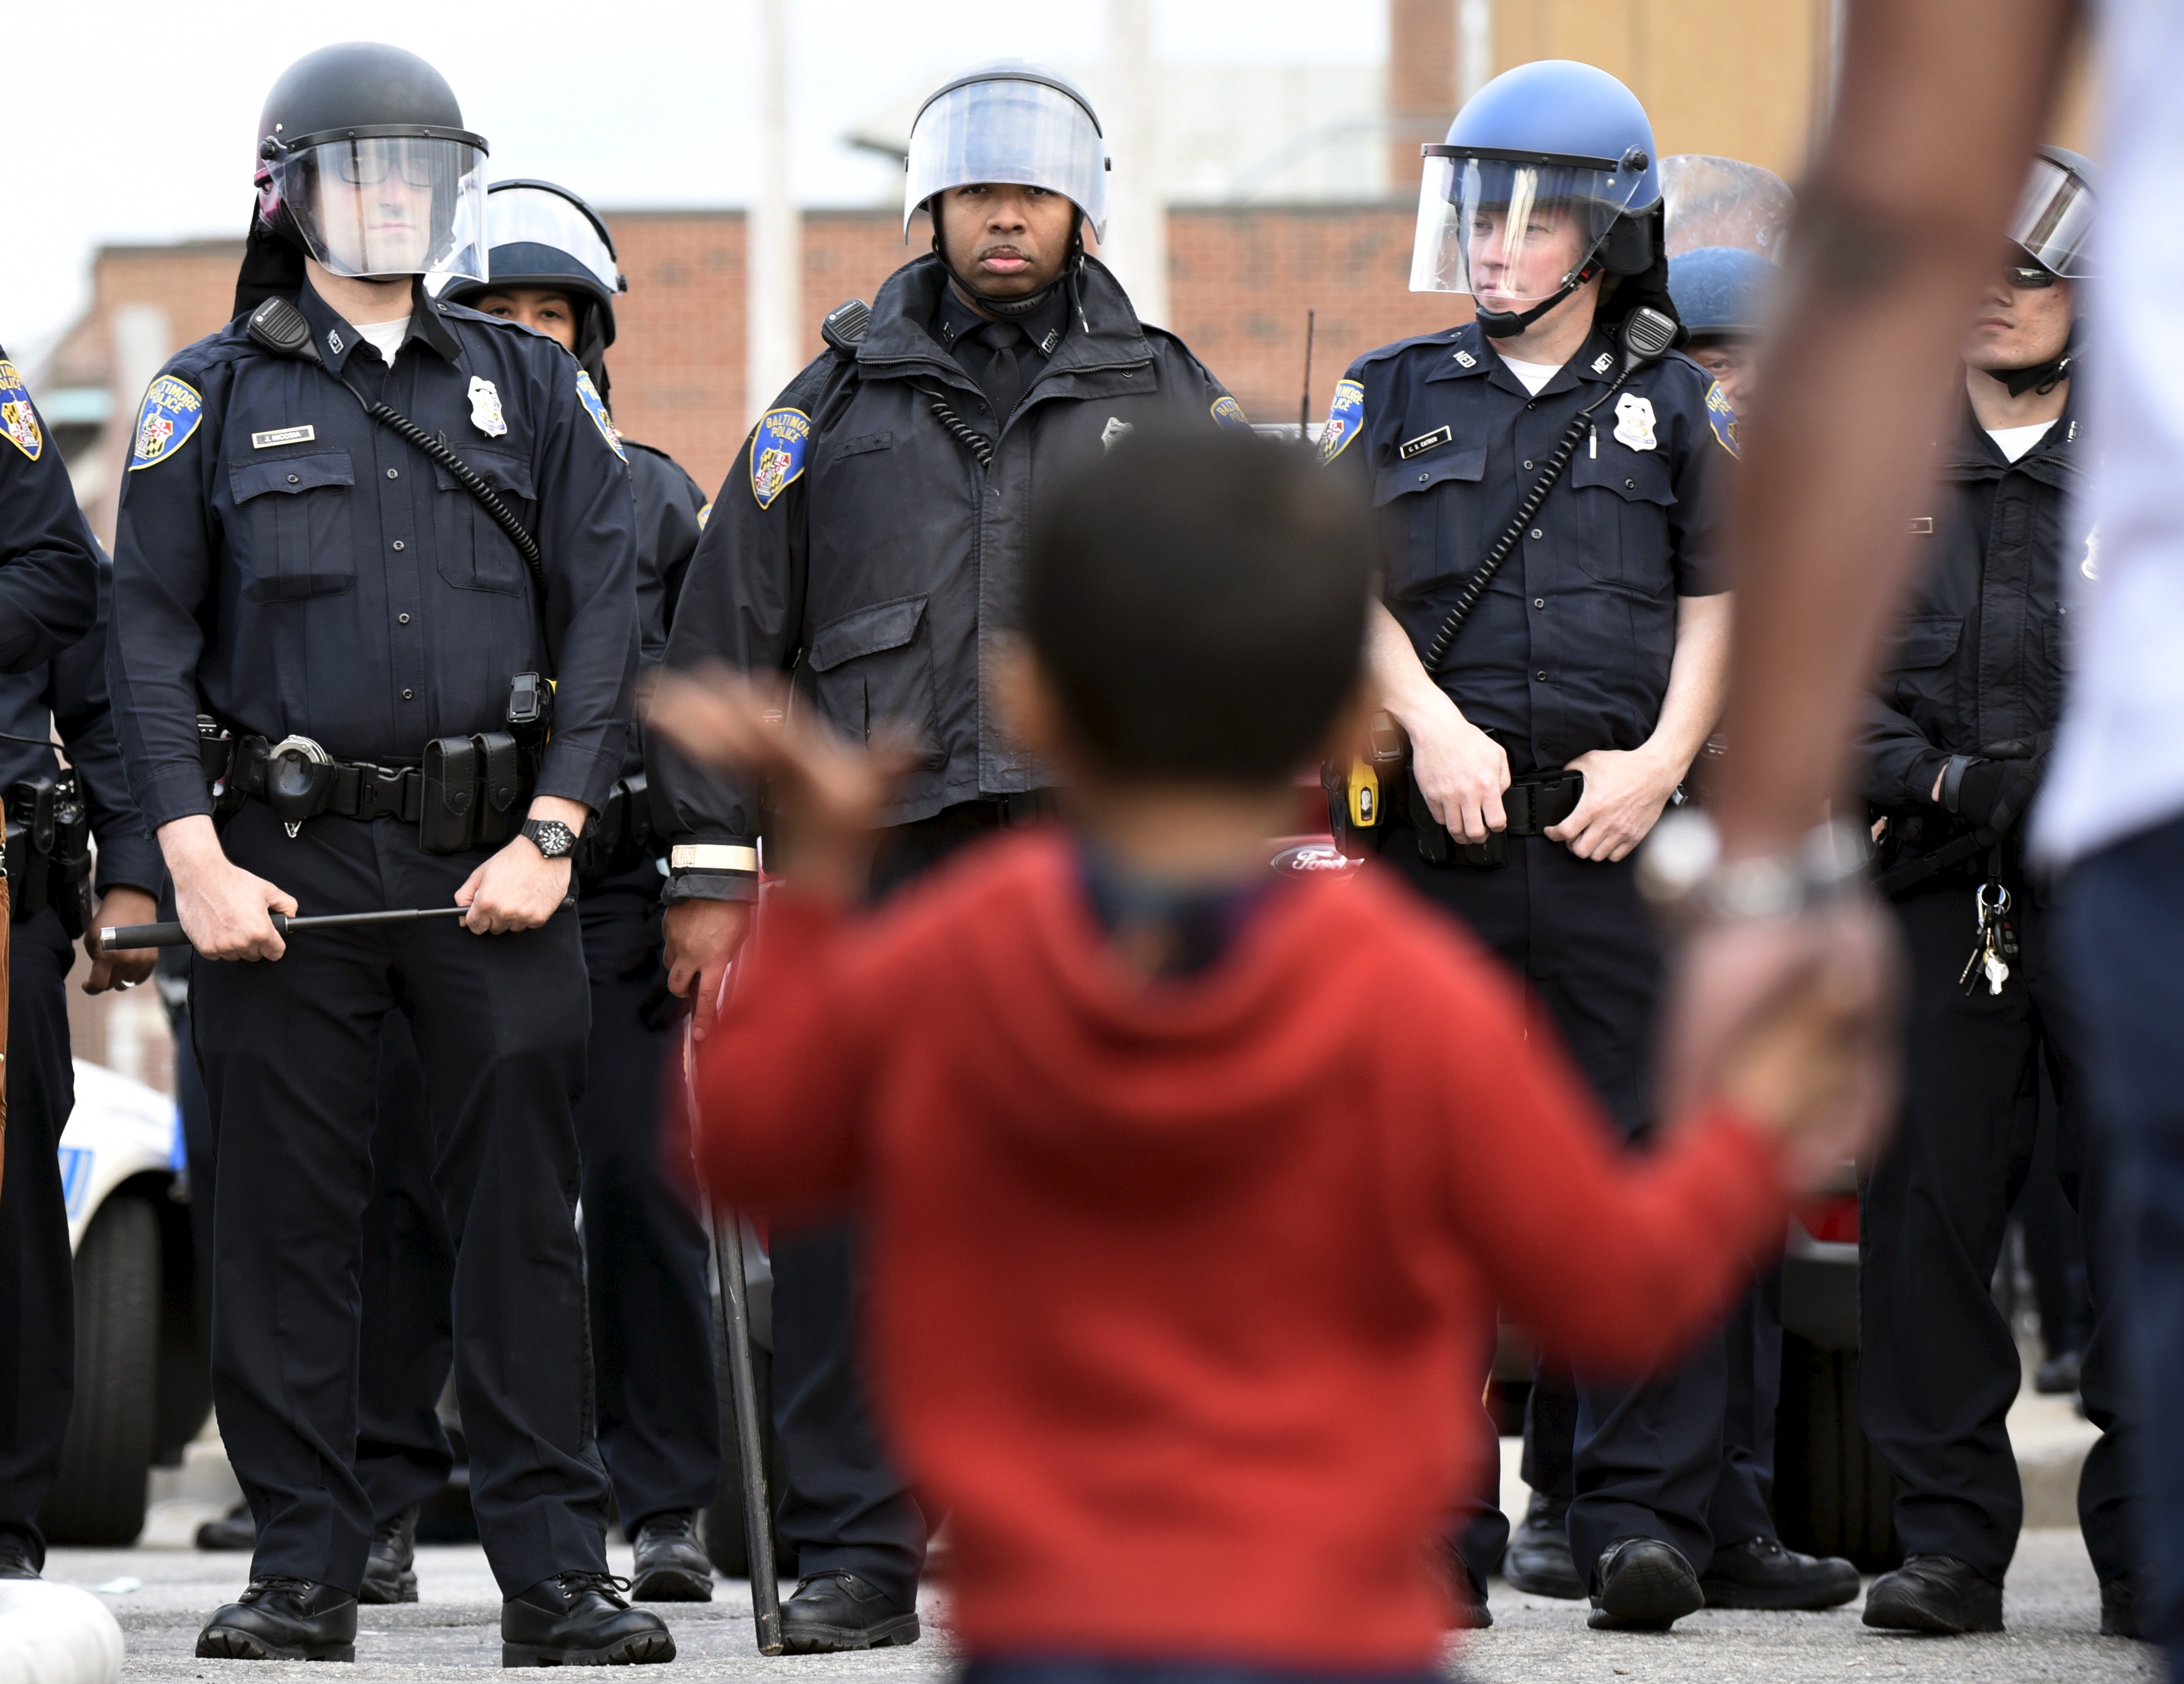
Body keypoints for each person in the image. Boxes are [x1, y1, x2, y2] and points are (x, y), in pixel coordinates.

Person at [645, 428, 1879, 1684]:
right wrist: (1753, 1115)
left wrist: (817, 881)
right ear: (1350, 712)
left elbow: (747, 1142)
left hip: (1048, 1632)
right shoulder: (1406, 990)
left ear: (1028, 703)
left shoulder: (965, 952)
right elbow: (1618, 1287)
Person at [650, 58, 1247, 1653]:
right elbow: (725, 642)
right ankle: (854, 1539)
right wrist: (709, 874)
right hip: (877, 856)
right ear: (932, 207)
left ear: (1079, 209)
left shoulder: (1166, 393)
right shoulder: (829, 403)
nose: (1003, 215)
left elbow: (1241, 632)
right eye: (976, 191)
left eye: (1032, 192)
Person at [107, 44, 668, 1664]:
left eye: (423, 175)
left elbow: (607, 617)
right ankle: (305, 1567)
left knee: (517, 1231)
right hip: (280, 877)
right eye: (363, 172)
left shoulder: (532, 382)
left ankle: (558, 1577)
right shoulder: (204, 400)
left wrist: (558, 829)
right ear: (286, 196)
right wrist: (191, 861)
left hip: (496, 877)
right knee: (286, 1232)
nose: (395, 203)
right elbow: (146, 643)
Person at [1324, 59, 1855, 1627]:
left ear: (1606, 234)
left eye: (1527, 220)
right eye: (1473, 216)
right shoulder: (1392, 392)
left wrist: (1664, 761)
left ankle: (1638, 1519)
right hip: (1450, 842)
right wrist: (1426, 721)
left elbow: (1723, 600)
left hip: (1623, 833)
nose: (1488, 248)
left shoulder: (1677, 405)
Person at [337, 179, 721, 1607]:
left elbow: (697, 705)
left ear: (596, 331)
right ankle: (381, 1490)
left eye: (550, 313)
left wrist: (703, 885)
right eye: (494, 313)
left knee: (637, 1178)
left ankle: (667, 1497)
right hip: (430, 890)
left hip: (610, 895)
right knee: (408, 1186)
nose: (525, 337)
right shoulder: (386, 472)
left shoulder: (659, 494)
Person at [1853, 145, 2135, 1636]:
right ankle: (1950, 1543)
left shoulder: (2152, 456)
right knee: (1926, 1227)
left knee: (2142, 1209)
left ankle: (2148, 1543)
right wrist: (1951, 781)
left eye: (2021, 270)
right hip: (1932, 887)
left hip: (2119, 898)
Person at [0, 384, 145, 1579]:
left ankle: (2, 1518)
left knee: (5, 1183)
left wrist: (131, 872)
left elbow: (63, 588)